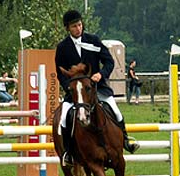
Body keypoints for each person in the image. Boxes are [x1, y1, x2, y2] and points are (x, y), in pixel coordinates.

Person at [55, 9, 139, 166]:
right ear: (68, 28)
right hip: (76, 93)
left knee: (116, 111)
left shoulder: (93, 40)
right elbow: (60, 73)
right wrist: (69, 88)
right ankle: (68, 153)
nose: (78, 28)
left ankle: (126, 140)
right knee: (64, 118)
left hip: (98, 88)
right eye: (74, 26)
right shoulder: (62, 48)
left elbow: (109, 62)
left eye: (79, 25)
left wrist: (101, 74)